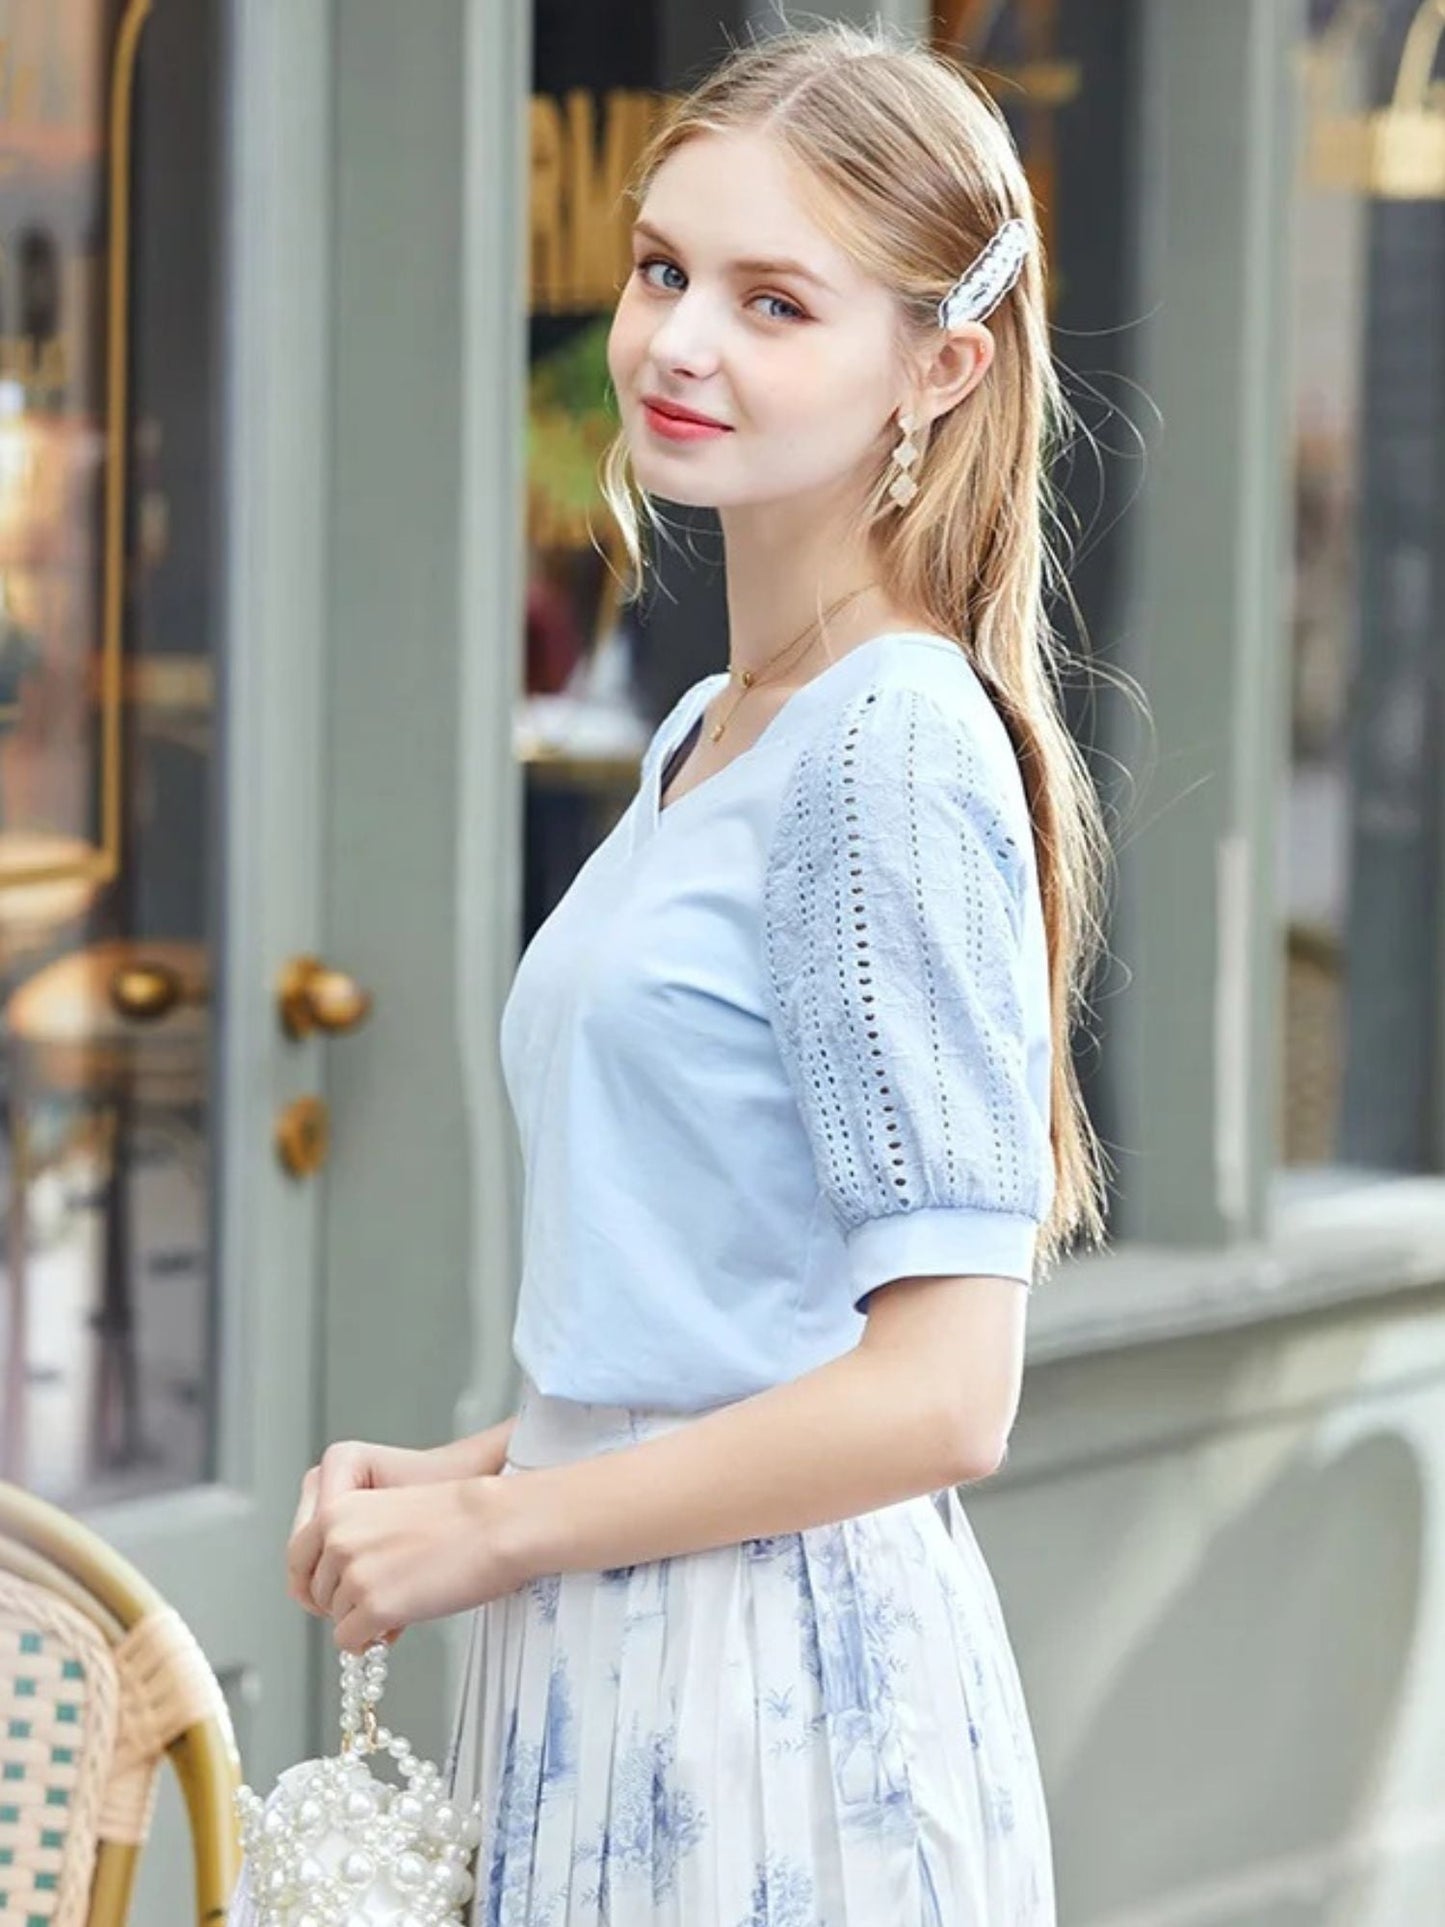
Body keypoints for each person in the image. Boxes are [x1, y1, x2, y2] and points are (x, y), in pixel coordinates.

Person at [286, 19, 1111, 1924]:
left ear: (940, 365)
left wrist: (499, 1525)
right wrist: (469, 1469)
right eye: (663, 270)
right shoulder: (713, 730)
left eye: (773, 301)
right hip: (617, 1654)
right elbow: (728, 1323)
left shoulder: (887, 745)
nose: (675, 341)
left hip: (776, 1714)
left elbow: (940, 1395)